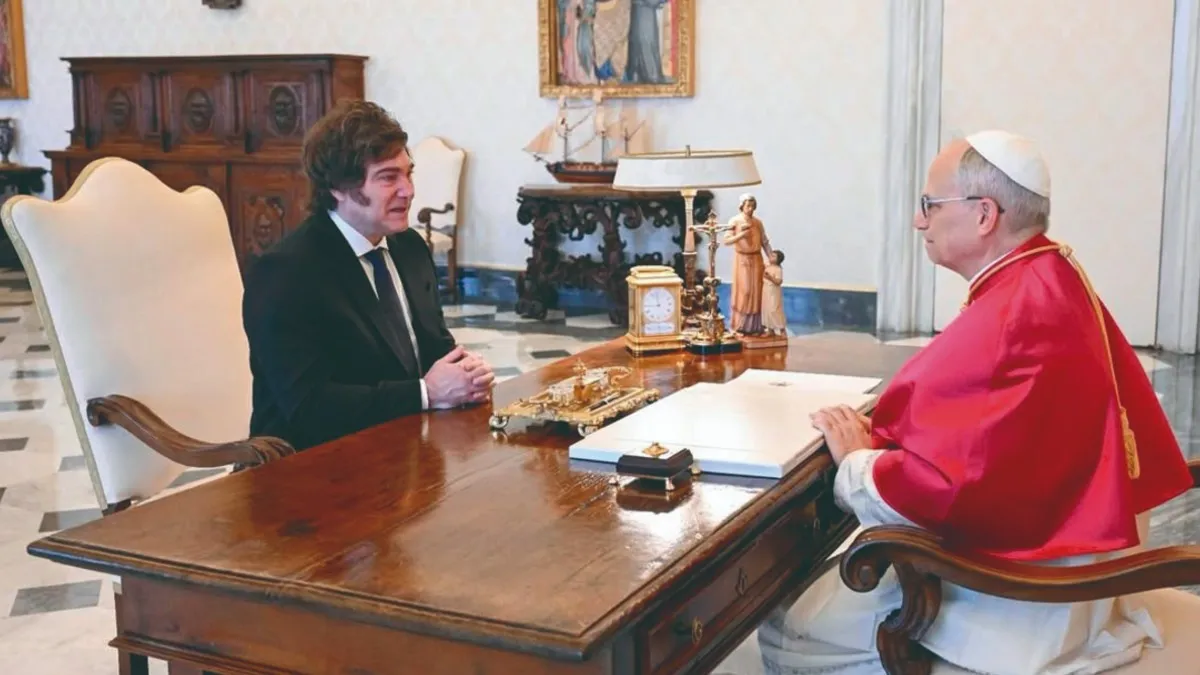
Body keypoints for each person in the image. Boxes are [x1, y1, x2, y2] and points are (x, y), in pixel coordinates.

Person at [717, 131, 1192, 675]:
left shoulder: (1014, 316)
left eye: (929, 205)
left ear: (984, 214)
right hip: (1068, 557)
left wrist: (856, 464)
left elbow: (945, 493)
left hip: (1028, 604)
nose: (920, 221)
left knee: (785, 626)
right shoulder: (1050, 271)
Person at [242, 100, 494, 451]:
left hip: (405, 452)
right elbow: (308, 407)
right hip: (310, 468)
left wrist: (465, 374)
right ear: (338, 187)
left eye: (409, 173)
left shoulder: (409, 248)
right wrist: (426, 392)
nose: (408, 190)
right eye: (389, 177)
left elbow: (435, 349)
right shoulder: (286, 273)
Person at [723, 194, 773, 335]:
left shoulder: (757, 222)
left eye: (752, 206)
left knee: (757, 291)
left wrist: (771, 258)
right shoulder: (735, 221)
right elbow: (726, 240)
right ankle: (739, 325)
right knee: (744, 291)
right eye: (747, 206)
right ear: (742, 206)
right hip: (742, 260)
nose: (750, 209)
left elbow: (764, 241)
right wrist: (741, 236)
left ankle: (755, 326)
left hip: (756, 259)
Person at [761, 249, 787, 336]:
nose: (770, 257)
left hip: (773, 292)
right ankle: (770, 329)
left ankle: (782, 329)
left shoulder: (778, 269)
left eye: (773, 256)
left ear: (778, 259)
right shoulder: (767, 267)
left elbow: (779, 282)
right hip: (766, 291)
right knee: (766, 309)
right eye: (770, 255)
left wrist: (770, 278)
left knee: (774, 309)